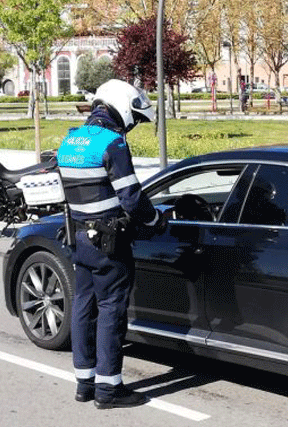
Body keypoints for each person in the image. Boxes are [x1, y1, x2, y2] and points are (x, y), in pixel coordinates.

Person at [57, 79, 166, 409]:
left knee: (83, 306)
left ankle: (84, 382)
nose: (132, 125)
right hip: (109, 243)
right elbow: (131, 198)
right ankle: (109, 390)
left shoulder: (70, 140)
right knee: (111, 312)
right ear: (120, 107)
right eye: (134, 118)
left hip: (79, 238)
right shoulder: (112, 144)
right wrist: (155, 221)